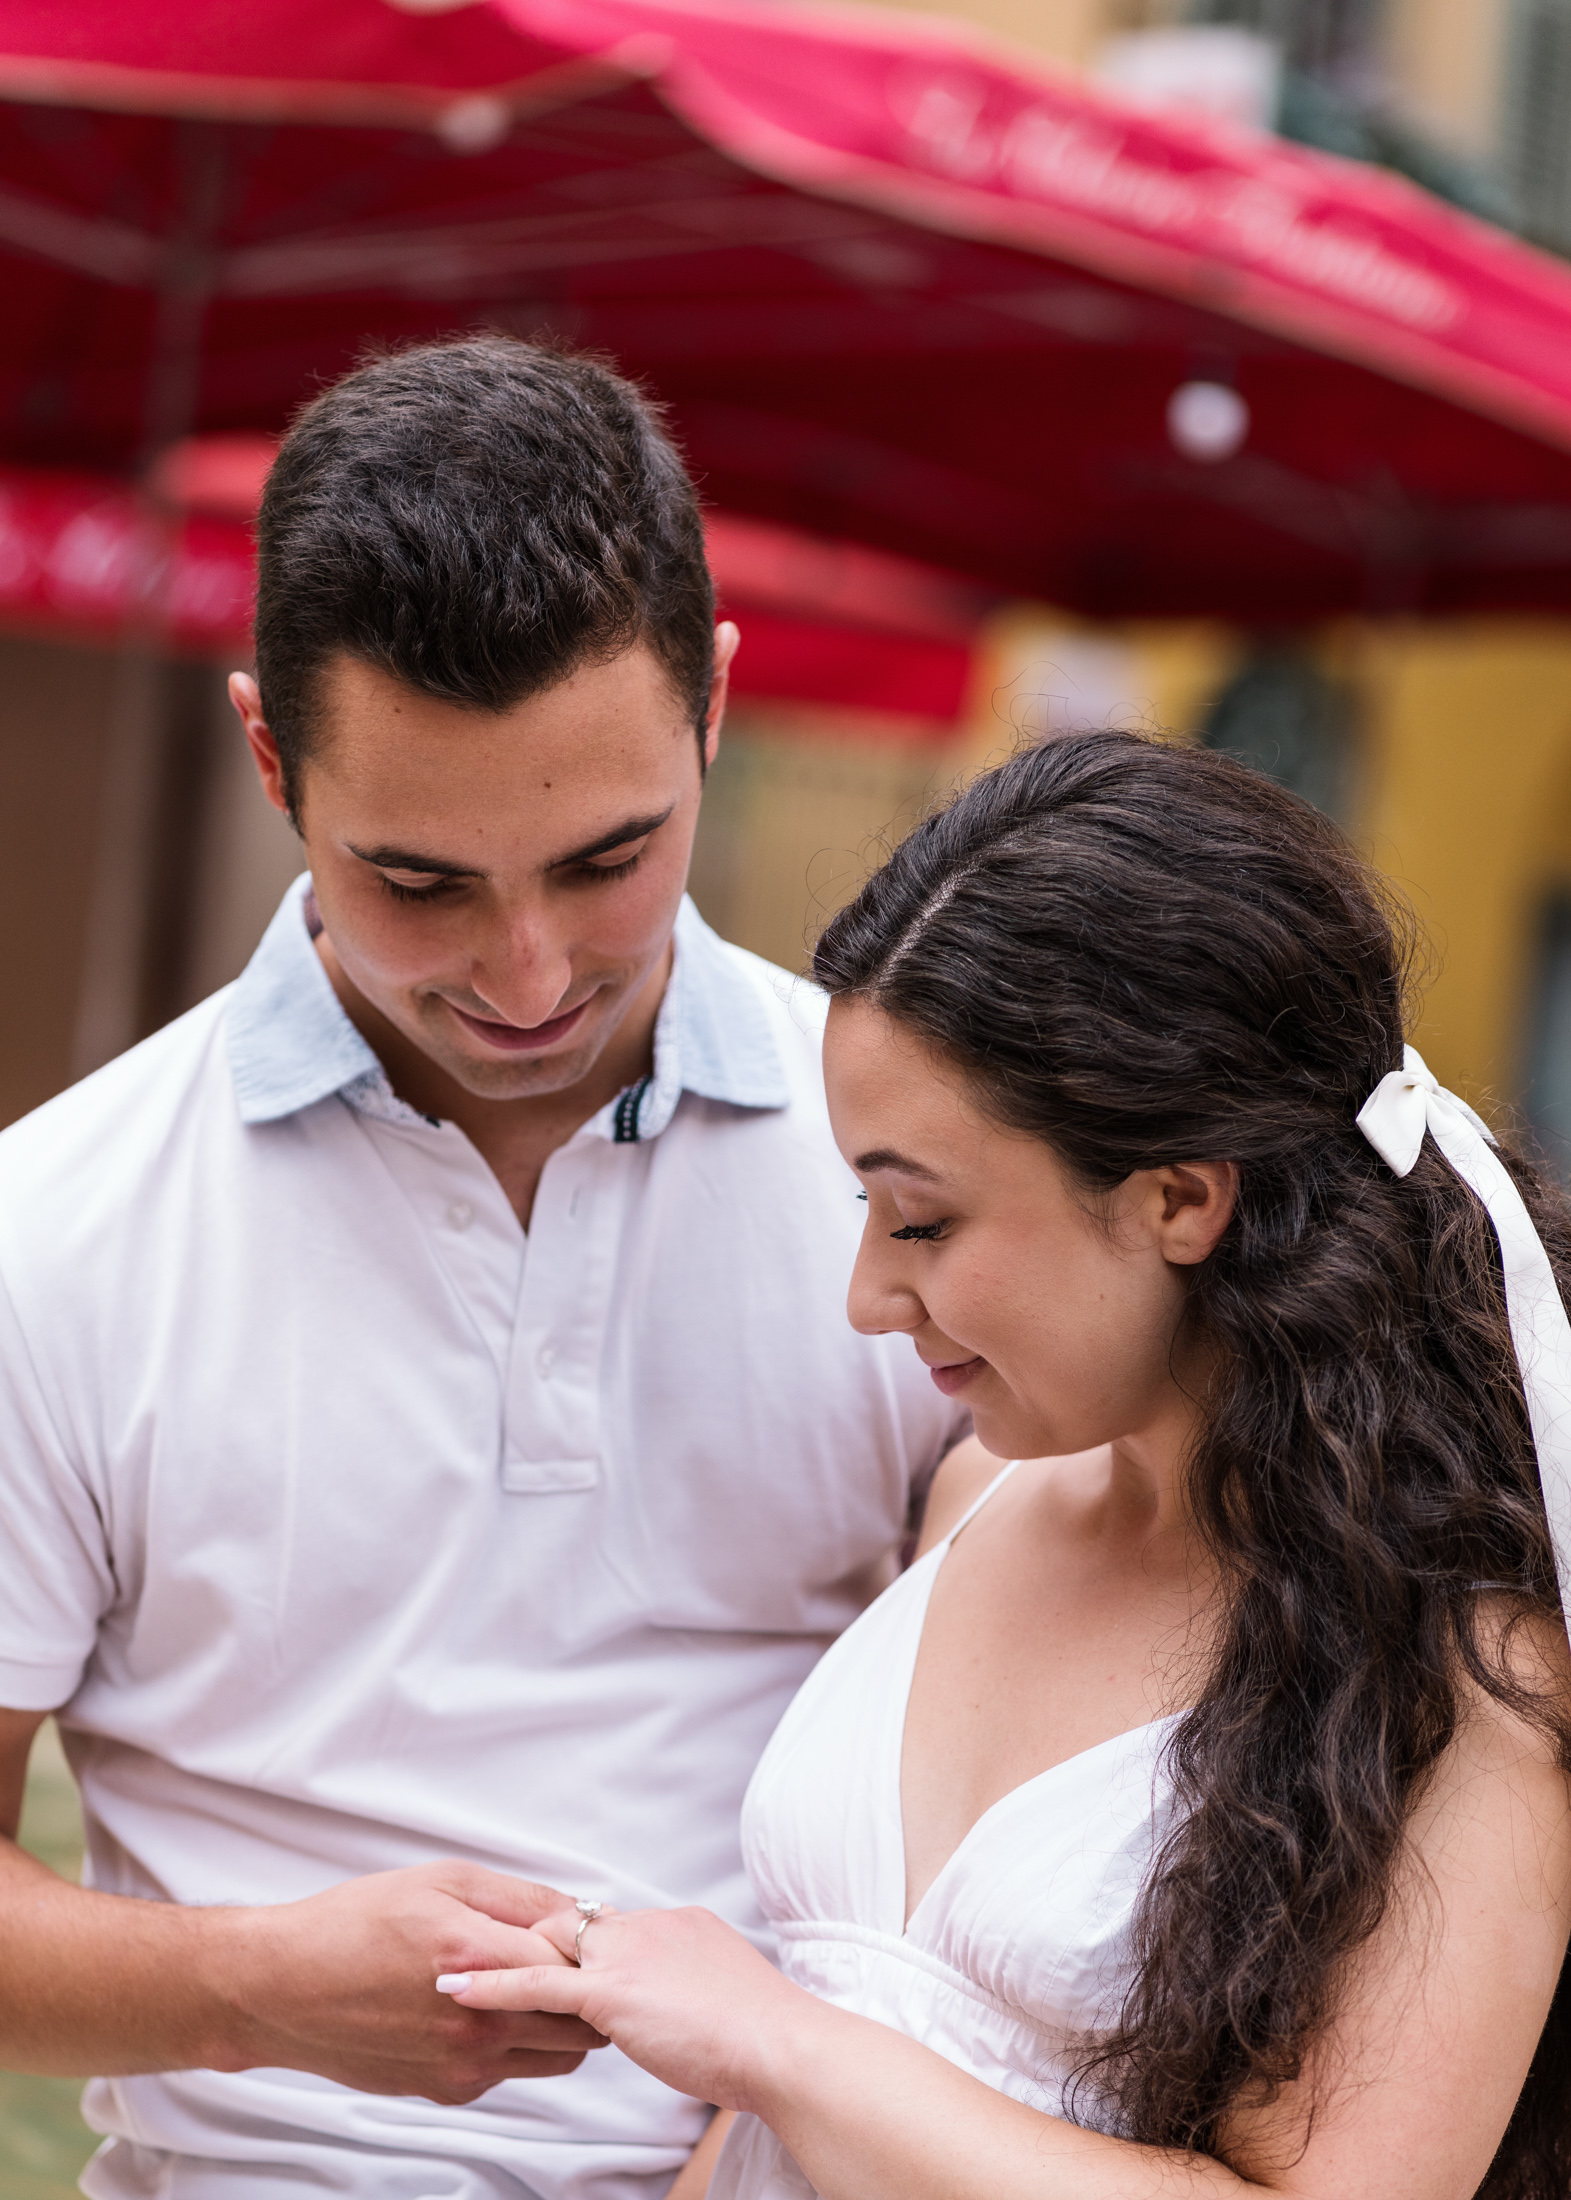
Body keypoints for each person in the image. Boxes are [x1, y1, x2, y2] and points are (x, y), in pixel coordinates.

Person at [0, 338, 964, 2200]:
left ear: (716, 714)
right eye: (420, 882)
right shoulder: (54, 1227)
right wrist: (252, 1991)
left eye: (610, 859)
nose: (528, 976)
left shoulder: (932, 1186)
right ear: (271, 758)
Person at [443, 729, 1571, 2200]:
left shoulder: (1467, 1677)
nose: (867, 1294)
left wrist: (768, 2042)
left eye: (921, 1222)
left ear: (1177, 1198)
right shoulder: (978, 1499)